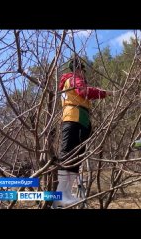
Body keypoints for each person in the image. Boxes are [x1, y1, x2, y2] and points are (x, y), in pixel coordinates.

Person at [53, 56, 113, 208]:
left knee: (76, 158)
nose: (84, 74)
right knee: (68, 156)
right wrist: (104, 92)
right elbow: (83, 91)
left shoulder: (71, 80)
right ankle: (59, 195)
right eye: (83, 71)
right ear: (79, 70)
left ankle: (66, 194)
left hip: (80, 119)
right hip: (74, 118)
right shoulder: (74, 78)